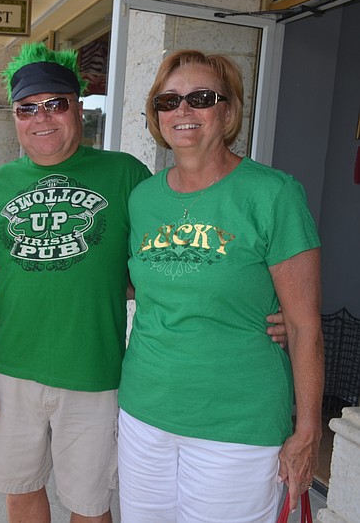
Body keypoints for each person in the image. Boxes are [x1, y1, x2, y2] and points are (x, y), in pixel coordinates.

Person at [117, 50, 323, 522]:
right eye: (168, 101)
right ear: (156, 116)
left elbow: (305, 324)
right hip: (144, 414)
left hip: (237, 424)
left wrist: (307, 430)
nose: (183, 111)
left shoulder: (273, 194)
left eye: (201, 98)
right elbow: (140, 282)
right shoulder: (144, 198)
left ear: (228, 111)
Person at [0, 42, 151, 523]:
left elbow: (158, 266)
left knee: (89, 505)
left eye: (55, 104)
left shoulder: (126, 175)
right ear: (15, 117)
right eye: (27, 109)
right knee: (20, 490)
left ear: (78, 107)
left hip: (95, 374)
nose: (41, 118)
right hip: (10, 372)